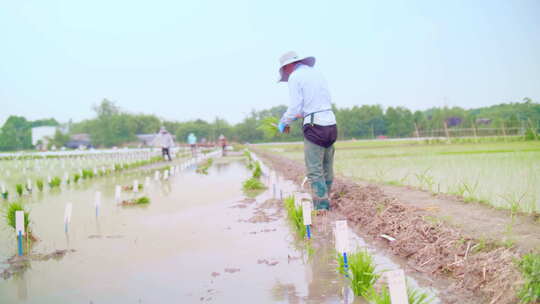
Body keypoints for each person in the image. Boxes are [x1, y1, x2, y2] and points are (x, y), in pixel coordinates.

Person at [277, 51, 337, 210]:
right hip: (331, 123)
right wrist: (298, 115)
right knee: (327, 167)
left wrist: (284, 121)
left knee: (314, 169)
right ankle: (327, 199)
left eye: (286, 70)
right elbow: (314, 103)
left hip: (314, 126)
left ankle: (321, 207)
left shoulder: (295, 77)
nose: (287, 73)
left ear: (288, 65)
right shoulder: (316, 74)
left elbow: (295, 105)